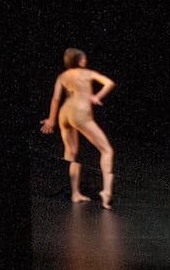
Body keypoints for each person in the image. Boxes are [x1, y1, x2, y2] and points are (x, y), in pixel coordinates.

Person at [40, 48, 115, 208]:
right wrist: (97, 96)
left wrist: (51, 120)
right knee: (107, 150)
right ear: (80, 61)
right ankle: (106, 192)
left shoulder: (62, 76)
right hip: (80, 113)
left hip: (64, 113)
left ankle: (75, 193)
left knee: (71, 153)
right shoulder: (87, 73)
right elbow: (109, 83)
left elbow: (55, 99)